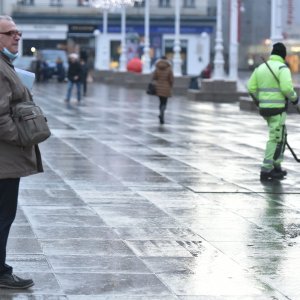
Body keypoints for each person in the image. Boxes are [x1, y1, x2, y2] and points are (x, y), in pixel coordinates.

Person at [0, 15, 43, 289]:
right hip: (4, 158)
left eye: (18, 32)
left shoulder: (6, 65)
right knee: (3, 215)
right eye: (10, 32)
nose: (17, 36)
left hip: (6, 158)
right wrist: (20, 138)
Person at [247, 42, 298, 181]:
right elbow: (287, 89)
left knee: (281, 135)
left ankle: (277, 166)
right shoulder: (283, 68)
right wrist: (295, 99)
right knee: (275, 138)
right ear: (283, 55)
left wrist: (259, 101)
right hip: (278, 109)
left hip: (265, 109)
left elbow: (250, 87)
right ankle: (266, 169)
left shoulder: (261, 68)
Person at [152, 56, 174, 124]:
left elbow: (154, 77)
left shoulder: (157, 67)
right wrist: (171, 85)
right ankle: (162, 113)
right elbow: (171, 79)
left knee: (160, 101)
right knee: (164, 102)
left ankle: (161, 113)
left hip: (158, 87)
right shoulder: (169, 68)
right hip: (166, 87)